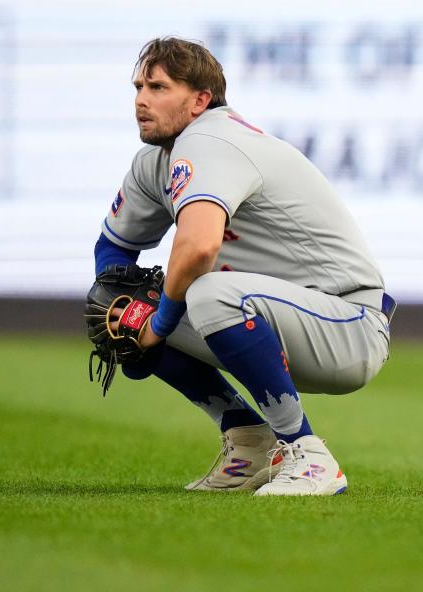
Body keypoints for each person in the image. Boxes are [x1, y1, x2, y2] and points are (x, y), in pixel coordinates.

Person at [94, 37, 394, 496]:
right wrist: (127, 324)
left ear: (200, 100)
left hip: (347, 323)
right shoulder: (154, 163)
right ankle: (249, 439)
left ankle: (309, 454)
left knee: (204, 290)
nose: (140, 100)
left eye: (158, 87)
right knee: (125, 301)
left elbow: (198, 248)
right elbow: (111, 254)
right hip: (277, 319)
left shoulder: (210, 139)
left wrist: (157, 328)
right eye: (137, 87)